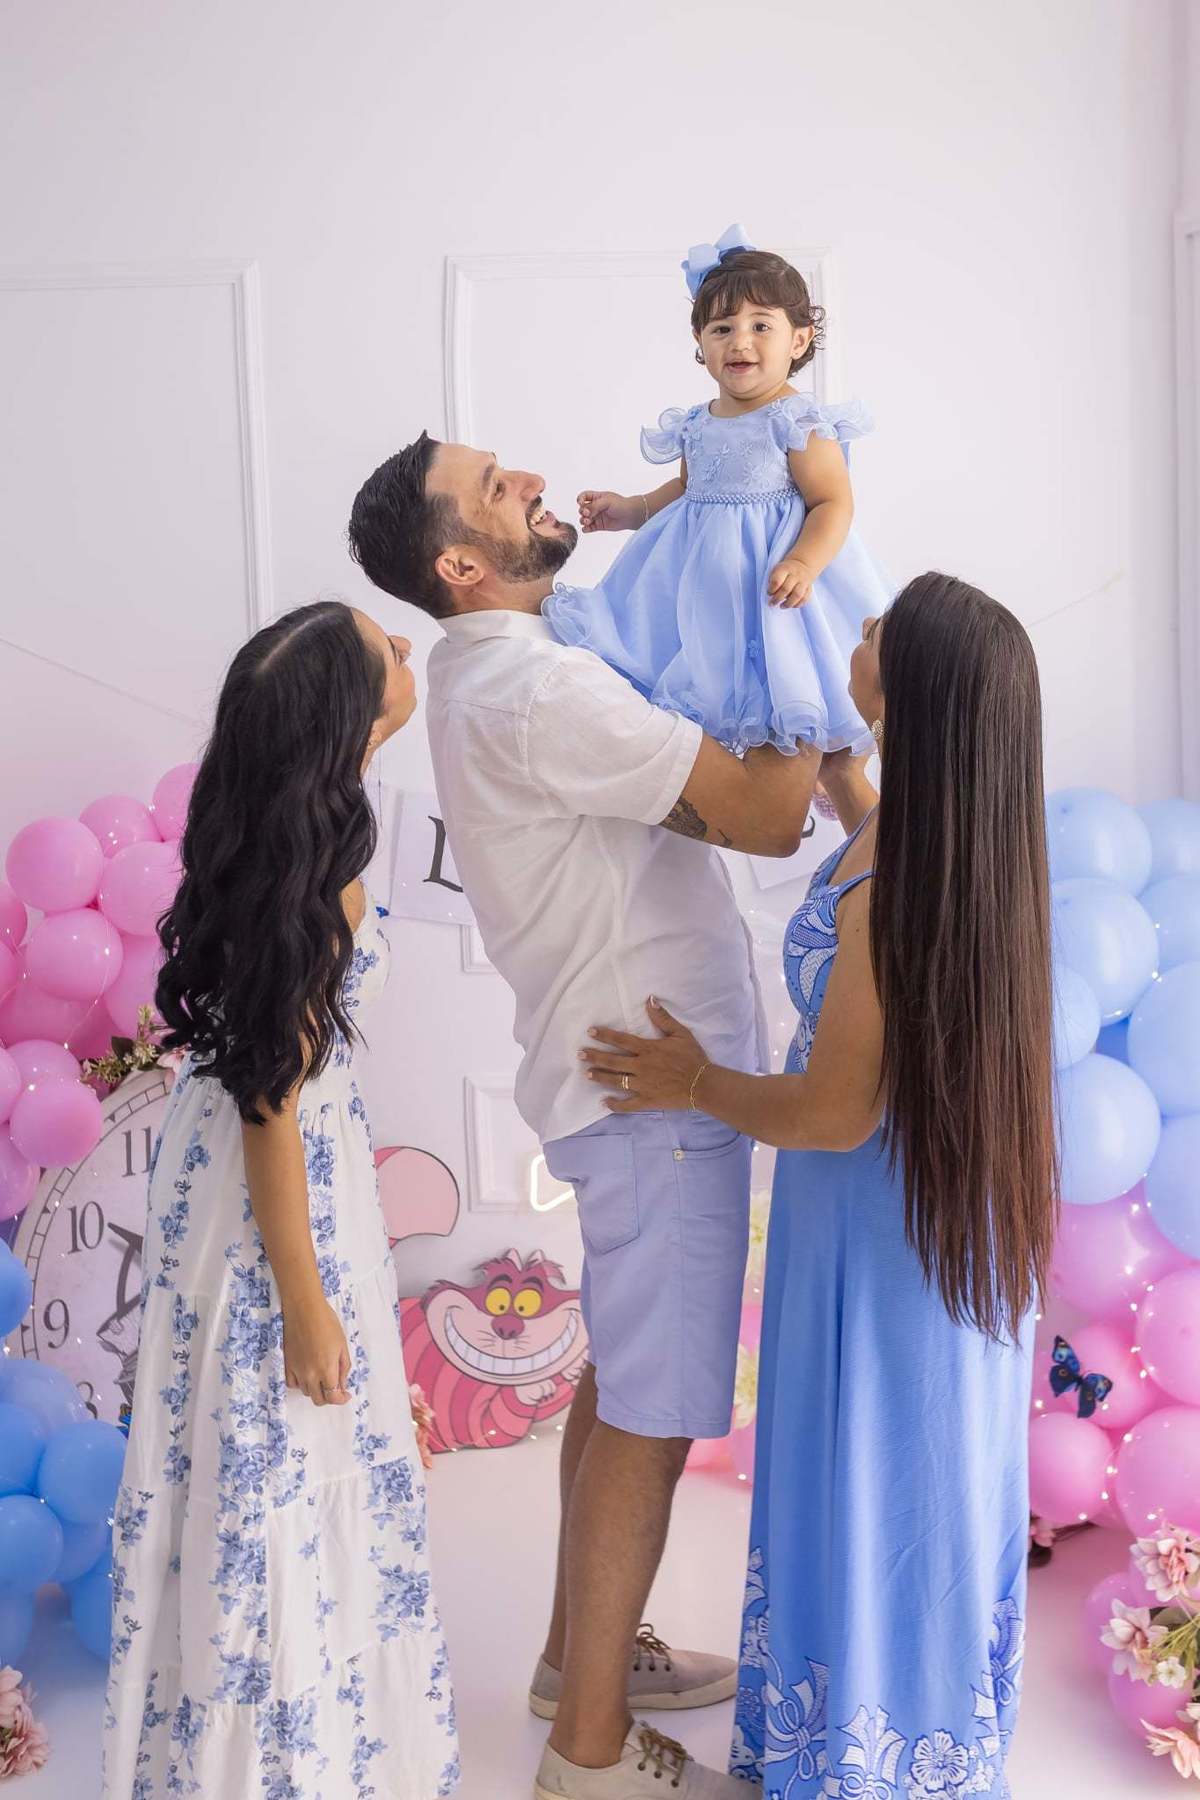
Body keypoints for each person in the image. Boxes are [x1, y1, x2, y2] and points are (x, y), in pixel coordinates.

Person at [348, 438, 852, 1797]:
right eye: (493, 486)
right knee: (655, 1412)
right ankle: (588, 1755)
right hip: (653, 1096)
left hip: (625, 1083)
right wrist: (796, 633)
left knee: (623, 1380)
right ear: (462, 564)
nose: (527, 478)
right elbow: (764, 815)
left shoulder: (506, 670)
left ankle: (578, 1661)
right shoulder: (534, 687)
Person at [579, 573, 1057, 1800]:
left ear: (913, 694)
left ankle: (863, 1755)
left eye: (879, 631)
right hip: (929, 1223)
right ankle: (909, 1738)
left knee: (876, 1470)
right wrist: (849, 785)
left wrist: (694, 1080)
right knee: (921, 1472)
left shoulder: (895, 887)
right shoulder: (956, 839)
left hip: (873, 1229)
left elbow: (839, 1109)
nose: (858, 632)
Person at [103, 603, 460, 1799]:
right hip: (277, 1181)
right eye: (385, 652)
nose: (407, 651)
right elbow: (270, 1101)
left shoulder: (294, 832)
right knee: (277, 1443)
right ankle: (276, 1756)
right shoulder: (317, 878)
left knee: (266, 1449)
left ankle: (298, 1739)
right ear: (347, 720)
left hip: (263, 1166)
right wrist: (308, 1303)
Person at [544, 224, 891, 757]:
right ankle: (732, 776)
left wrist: (804, 562)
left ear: (798, 340)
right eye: (722, 328)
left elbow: (832, 502)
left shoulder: (796, 421)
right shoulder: (697, 422)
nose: (740, 341)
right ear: (700, 342)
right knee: (705, 689)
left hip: (776, 588)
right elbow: (687, 490)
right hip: (705, 591)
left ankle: (813, 772)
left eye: (760, 325)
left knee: (786, 692)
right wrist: (631, 509)